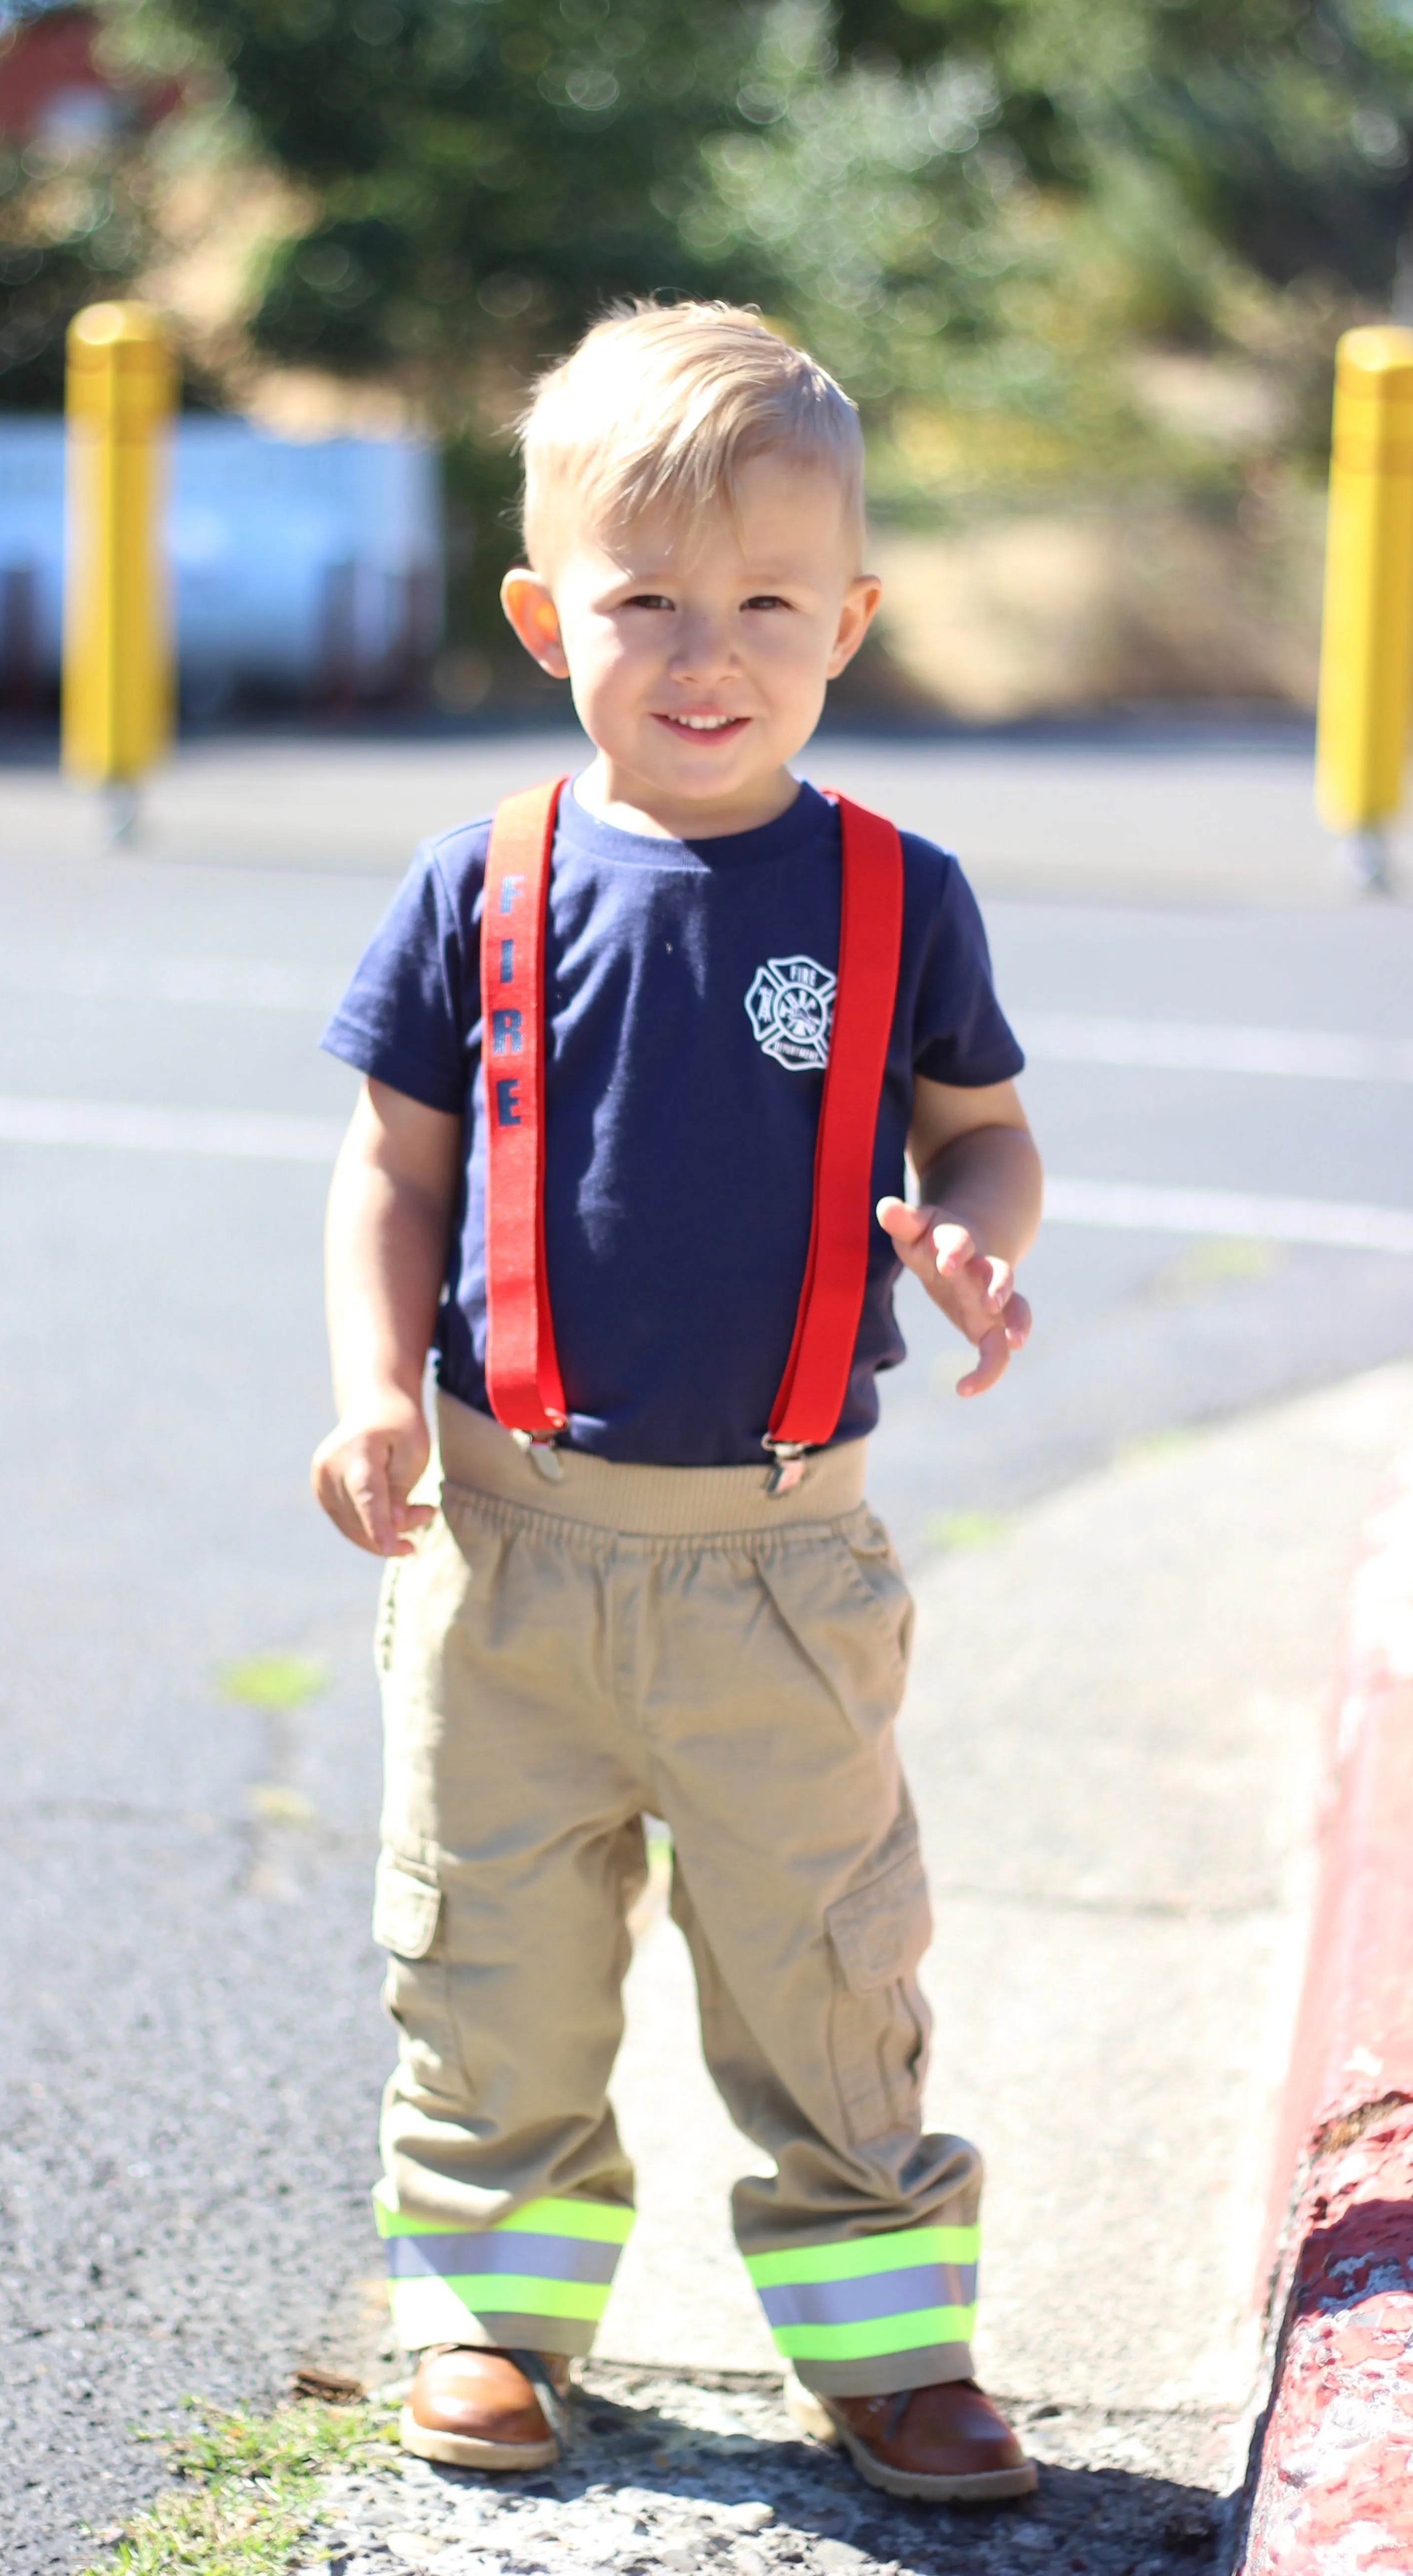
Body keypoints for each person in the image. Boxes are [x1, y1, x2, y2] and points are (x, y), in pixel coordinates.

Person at [311, 301, 1043, 2507]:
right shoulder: (484, 882)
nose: (704, 652)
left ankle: (889, 2344)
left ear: (852, 620)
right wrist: (368, 1387)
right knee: (494, 1962)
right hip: (505, 1545)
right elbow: (392, 1170)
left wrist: (979, 1234)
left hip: (780, 1569)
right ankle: (495, 2318)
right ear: (549, 615)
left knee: (829, 1972)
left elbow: (987, 1131)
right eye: (645, 602)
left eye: (764, 606)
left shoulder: (897, 895)